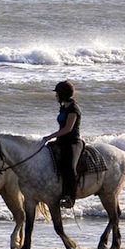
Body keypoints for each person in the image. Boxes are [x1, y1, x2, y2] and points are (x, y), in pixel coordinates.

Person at [42, 80, 82, 208]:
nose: (56, 96)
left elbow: (67, 129)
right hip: (61, 141)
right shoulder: (63, 107)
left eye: (57, 93)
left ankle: (70, 198)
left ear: (63, 94)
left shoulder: (73, 109)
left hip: (72, 142)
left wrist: (49, 136)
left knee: (71, 168)